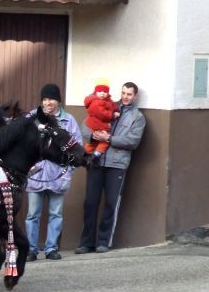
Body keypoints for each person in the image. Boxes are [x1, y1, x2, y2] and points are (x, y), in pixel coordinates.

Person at [75, 82, 146, 254]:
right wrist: (93, 135)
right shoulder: (107, 105)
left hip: (117, 164)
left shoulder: (137, 117)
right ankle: (86, 243)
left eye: (129, 94)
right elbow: (85, 127)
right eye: (123, 93)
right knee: (90, 202)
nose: (125, 97)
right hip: (96, 161)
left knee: (110, 204)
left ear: (135, 96)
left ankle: (104, 242)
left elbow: (132, 141)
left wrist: (109, 139)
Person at [25, 84, 82, 261]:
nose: (47, 103)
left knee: (55, 214)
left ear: (58, 101)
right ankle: (31, 249)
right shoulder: (32, 118)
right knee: (32, 214)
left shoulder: (68, 120)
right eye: (44, 99)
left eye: (51, 99)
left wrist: (68, 170)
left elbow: (77, 147)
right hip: (36, 174)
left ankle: (51, 248)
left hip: (58, 175)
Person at [83, 82, 119, 164]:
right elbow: (101, 113)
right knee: (100, 141)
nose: (102, 93)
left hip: (100, 124)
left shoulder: (108, 100)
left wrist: (116, 110)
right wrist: (112, 115)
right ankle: (90, 154)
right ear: (95, 92)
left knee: (97, 141)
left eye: (105, 92)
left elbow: (113, 106)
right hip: (96, 124)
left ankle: (93, 154)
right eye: (100, 91)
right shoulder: (95, 102)